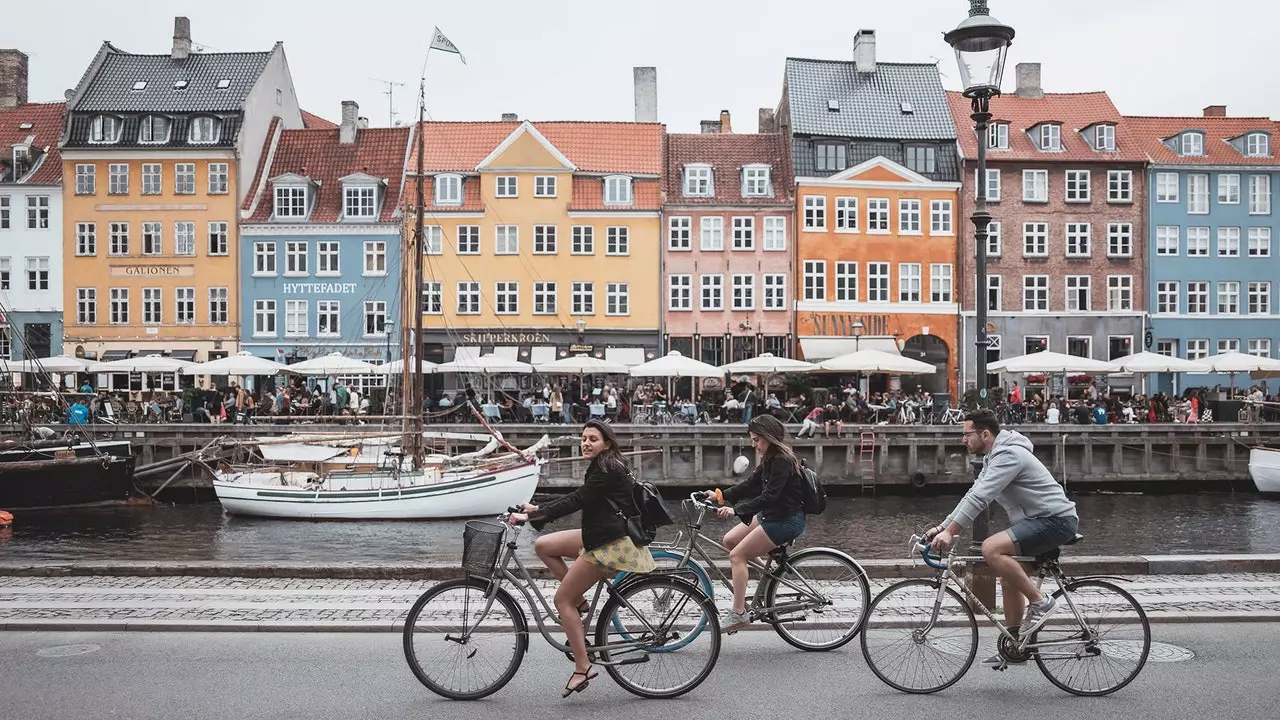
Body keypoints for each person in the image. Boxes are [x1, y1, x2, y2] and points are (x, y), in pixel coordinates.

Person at [508, 420, 653, 697]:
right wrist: (538, 508)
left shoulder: (607, 468)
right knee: (544, 545)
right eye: (583, 438)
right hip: (599, 533)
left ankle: (583, 666)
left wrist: (531, 516)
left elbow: (577, 500)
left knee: (561, 600)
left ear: (606, 443)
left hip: (609, 543)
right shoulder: (605, 463)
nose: (586, 443)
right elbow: (582, 498)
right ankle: (581, 601)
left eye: (593, 439)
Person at [927, 409, 1078, 662]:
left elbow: (980, 498)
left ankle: (1041, 603)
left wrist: (952, 532)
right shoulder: (993, 458)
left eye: (967, 434)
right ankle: (1017, 645)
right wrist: (943, 527)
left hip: (1055, 520)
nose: (963, 440)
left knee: (991, 548)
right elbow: (971, 495)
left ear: (985, 434)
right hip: (1038, 521)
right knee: (1009, 578)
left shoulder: (1009, 455)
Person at [704, 415, 806, 632]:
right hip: (771, 515)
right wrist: (719, 496)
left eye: (757, 440)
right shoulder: (769, 458)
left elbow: (769, 497)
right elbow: (750, 485)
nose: (754, 444)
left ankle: (738, 613)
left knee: (737, 556)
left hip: (786, 520)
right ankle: (770, 577)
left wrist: (736, 510)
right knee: (730, 540)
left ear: (769, 438)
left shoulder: (782, 461)